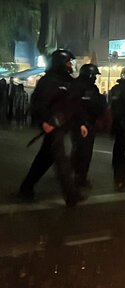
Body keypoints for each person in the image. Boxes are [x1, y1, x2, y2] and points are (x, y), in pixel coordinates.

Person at [17, 49, 87, 207]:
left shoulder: (69, 82)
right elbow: (38, 104)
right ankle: (71, 195)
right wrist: (44, 121)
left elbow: (75, 104)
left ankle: (26, 188)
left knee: (44, 159)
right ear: (61, 63)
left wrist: (81, 122)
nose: (71, 65)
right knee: (61, 160)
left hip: (63, 126)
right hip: (53, 126)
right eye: (68, 62)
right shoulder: (49, 81)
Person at [69, 64, 107, 188]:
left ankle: (77, 174)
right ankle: (79, 177)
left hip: (85, 123)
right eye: (94, 75)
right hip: (83, 124)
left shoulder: (86, 87)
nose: (95, 78)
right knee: (84, 152)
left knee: (80, 150)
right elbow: (77, 106)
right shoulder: (82, 87)